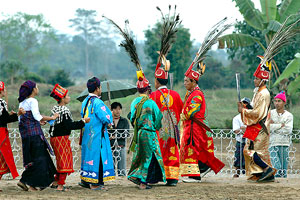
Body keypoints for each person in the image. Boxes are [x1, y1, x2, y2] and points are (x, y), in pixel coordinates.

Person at [180, 65, 225, 183]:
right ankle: (201, 169)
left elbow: (190, 111)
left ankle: (195, 175)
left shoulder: (196, 94)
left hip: (195, 127)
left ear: (193, 81)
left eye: (186, 81)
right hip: (193, 126)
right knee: (199, 149)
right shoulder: (192, 93)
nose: (184, 83)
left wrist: (182, 114)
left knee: (194, 148)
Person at [238, 56, 274, 182]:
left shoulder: (264, 94)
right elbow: (255, 108)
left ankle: (267, 170)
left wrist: (243, 111)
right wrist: (247, 107)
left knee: (252, 150)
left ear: (262, 81)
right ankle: (260, 172)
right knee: (251, 149)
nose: (254, 80)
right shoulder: (258, 92)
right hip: (257, 125)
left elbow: (258, 113)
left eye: (257, 78)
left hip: (260, 126)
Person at [17, 80, 58, 191]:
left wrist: (38, 122)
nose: (37, 88)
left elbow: (23, 120)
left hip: (27, 137)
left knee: (34, 159)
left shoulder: (22, 103)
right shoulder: (33, 101)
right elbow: (37, 116)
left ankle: (26, 182)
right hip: (35, 136)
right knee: (40, 160)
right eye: (37, 87)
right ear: (33, 90)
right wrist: (52, 118)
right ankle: (29, 184)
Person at [128, 71, 166, 190]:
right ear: (148, 89)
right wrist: (155, 126)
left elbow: (131, 117)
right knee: (148, 157)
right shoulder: (151, 103)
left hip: (138, 133)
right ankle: (143, 182)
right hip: (149, 133)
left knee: (140, 156)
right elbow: (159, 117)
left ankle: (138, 177)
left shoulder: (134, 102)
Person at [49, 84, 90, 191]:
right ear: (62, 99)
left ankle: (55, 182)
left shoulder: (55, 109)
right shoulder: (64, 110)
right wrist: (83, 121)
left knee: (60, 160)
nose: (69, 98)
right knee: (65, 161)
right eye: (67, 96)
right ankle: (60, 185)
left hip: (54, 138)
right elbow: (70, 126)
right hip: (61, 138)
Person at [149, 57, 183, 186]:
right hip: (172, 130)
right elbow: (180, 111)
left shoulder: (153, 96)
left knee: (158, 151)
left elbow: (150, 114)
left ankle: (156, 177)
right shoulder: (175, 94)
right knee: (172, 152)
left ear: (157, 81)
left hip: (159, 130)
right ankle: (172, 179)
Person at [79, 77, 115, 190]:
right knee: (98, 157)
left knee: (88, 156)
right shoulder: (98, 102)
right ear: (98, 88)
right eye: (100, 87)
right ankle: (95, 184)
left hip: (87, 135)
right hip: (97, 136)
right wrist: (110, 119)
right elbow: (106, 117)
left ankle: (85, 180)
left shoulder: (85, 101)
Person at [0, 81, 25, 192]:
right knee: (3, 157)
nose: (6, 91)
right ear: (1, 91)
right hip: (1, 133)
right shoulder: (1, 102)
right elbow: (4, 120)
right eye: (4, 89)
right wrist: (17, 114)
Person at [269, 91, 293, 178]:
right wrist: (279, 125)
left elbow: (288, 130)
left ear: (284, 102)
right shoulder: (270, 113)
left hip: (284, 143)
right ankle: (276, 183)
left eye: (279, 101)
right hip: (272, 142)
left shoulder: (289, 116)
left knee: (283, 168)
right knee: (277, 166)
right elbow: (268, 127)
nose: (277, 103)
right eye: (275, 101)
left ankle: (283, 188)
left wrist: (274, 127)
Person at [108, 102, 130, 176]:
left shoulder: (124, 121)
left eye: (119, 109)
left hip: (121, 145)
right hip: (111, 146)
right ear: (112, 110)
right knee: (111, 166)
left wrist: (116, 136)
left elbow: (127, 133)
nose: (118, 111)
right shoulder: (108, 121)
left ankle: (122, 179)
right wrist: (110, 137)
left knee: (122, 169)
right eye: (116, 109)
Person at [232, 97, 252, 178]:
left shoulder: (251, 116)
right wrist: (244, 129)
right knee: (238, 156)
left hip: (249, 140)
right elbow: (236, 130)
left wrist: (244, 129)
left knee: (249, 157)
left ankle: (249, 172)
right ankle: (237, 172)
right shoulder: (236, 118)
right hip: (240, 140)